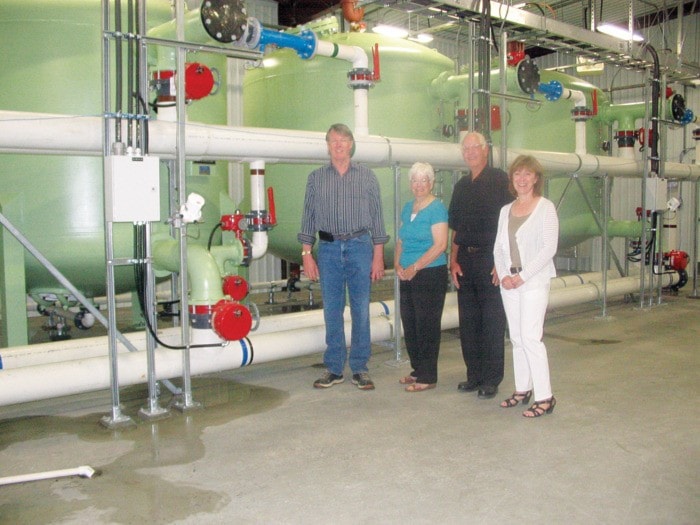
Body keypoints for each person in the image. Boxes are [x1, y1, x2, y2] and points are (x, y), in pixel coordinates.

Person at [298, 123, 389, 390]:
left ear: (351, 145)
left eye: (343, 140)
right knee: (332, 310)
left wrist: (378, 255)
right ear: (328, 146)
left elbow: (377, 219)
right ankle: (334, 368)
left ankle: (360, 367)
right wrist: (306, 254)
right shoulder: (315, 178)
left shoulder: (367, 177)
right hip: (327, 250)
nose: (338, 145)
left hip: (360, 246)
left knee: (361, 309)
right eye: (333, 141)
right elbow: (308, 219)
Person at [448, 132, 513, 399]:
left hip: (491, 259)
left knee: (492, 320)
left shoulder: (500, 180)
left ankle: (491, 379)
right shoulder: (461, 185)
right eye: (466, 148)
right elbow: (456, 227)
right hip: (465, 259)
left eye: (475, 147)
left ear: (486, 150)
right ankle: (473, 375)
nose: (470, 152)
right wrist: (452, 260)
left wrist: (503, 263)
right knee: (469, 321)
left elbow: (510, 223)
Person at [494, 155, 559, 417]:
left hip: (534, 281)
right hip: (509, 283)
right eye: (517, 174)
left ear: (535, 178)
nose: (521, 179)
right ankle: (523, 389)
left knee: (531, 337)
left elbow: (548, 249)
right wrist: (503, 274)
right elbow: (499, 248)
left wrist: (523, 276)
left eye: (527, 174)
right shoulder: (505, 210)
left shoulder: (546, 208)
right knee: (517, 338)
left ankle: (545, 396)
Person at [394, 162, 449, 392]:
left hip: (429, 273)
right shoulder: (408, 208)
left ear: (431, 182)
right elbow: (401, 240)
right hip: (406, 274)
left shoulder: (437, 208)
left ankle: (428, 376)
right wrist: (397, 264)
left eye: (423, 180)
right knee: (411, 323)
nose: (418, 185)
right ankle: (417, 370)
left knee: (427, 325)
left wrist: (415, 267)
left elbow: (440, 245)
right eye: (414, 180)